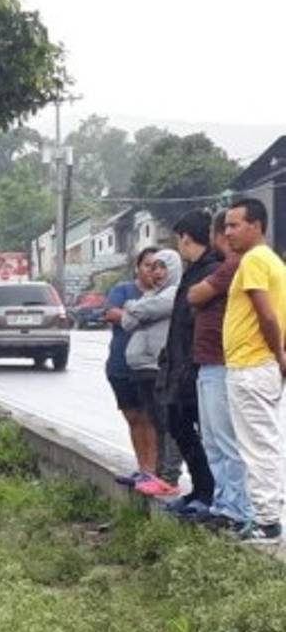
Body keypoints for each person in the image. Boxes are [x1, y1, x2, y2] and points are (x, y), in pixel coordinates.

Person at [218, 199, 286, 544]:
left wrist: (279, 353)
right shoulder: (271, 260)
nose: (227, 232)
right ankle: (269, 514)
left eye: (234, 225)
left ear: (256, 225)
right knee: (264, 442)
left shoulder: (255, 260)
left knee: (258, 445)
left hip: (252, 364)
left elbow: (268, 315)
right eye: (227, 226)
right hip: (258, 364)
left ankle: (268, 522)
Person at [187, 210, 253, 532]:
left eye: (231, 227)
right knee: (213, 440)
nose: (226, 235)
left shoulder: (234, 266)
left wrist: (200, 292)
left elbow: (195, 294)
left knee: (227, 442)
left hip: (221, 362)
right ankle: (223, 502)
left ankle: (237, 508)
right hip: (208, 363)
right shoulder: (228, 266)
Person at [160, 210, 223, 517]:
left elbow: (197, 325)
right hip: (179, 363)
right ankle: (199, 489)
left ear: (186, 238)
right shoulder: (193, 271)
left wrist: (186, 366)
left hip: (196, 365)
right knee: (177, 424)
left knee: (204, 432)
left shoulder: (211, 271)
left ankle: (209, 493)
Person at [122, 249, 182, 497]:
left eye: (162, 267)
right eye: (153, 267)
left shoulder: (174, 292)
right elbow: (126, 322)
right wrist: (139, 308)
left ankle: (169, 476)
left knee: (168, 423)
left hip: (160, 366)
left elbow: (139, 312)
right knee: (156, 422)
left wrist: (132, 306)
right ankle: (156, 474)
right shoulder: (151, 294)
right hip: (141, 368)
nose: (156, 273)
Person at [105, 249, 157, 486]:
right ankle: (142, 466)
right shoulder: (123, 290)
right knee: (134, 417)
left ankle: (152, 470)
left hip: (150, 367)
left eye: (157, 266)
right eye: (147, 265)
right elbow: (112, 313)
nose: (152, 271)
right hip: (120, 365)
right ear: (138, 267)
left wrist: (133, 314)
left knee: (150, 417)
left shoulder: (164, 294)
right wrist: (142, 314)